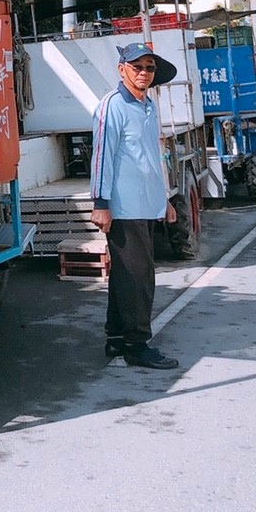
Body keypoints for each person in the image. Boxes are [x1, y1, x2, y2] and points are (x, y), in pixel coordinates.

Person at [90, 42, 181, 370]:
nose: (144, 73)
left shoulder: (147, 106)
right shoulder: (111, 106)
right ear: (122, 69)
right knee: (139, 276)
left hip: (147, 204)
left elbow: (153, 158)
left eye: (149, 68)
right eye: (137, 66)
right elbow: (102, 155)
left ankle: (116, 338)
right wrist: (101, 203)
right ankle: (137, 345)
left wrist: (165, 199)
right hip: (124, 207)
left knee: (126, 275)